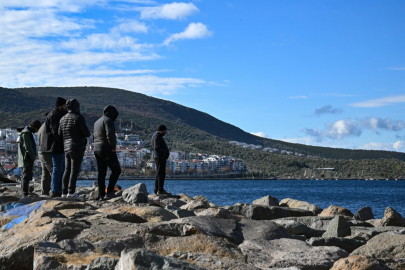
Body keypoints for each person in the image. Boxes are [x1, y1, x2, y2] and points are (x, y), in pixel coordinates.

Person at [58, 99, 91, 201]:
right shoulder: (78, 118)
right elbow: (86, 133)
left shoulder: (62, 119)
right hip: (76, 147)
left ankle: (64, 192)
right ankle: (71, 192)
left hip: (66, 147)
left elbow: (59, 134)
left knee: (67, 170)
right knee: (74, 170)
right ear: (77, 107)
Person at [93, 105, 121, 200]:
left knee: (101, 172)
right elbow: (110, 135)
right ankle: (109, 192)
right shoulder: (108, 120)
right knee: (116, 169)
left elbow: (94, 136)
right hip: (106, 148)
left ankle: (101, 195)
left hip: (96, 149)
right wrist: (113, 147)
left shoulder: (97, 122)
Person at [43, 97, 67, 197]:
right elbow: (55, 131)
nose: (66, 107)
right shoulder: (54, 115)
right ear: (60, 106)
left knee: (61, 168)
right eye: (65, 105)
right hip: (55, 146)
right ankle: (54, 190)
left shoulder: (56, 114)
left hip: (58, 145)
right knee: (57, 168)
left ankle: (58, 189)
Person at [17, 120, 41, 198]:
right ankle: (24, 193)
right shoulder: (26, 133)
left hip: (26, 158)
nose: (37, 131)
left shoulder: (27, 132)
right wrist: (33, 157)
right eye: (37, 129)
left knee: (26, 175)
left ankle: (25, 192)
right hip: (26, 158)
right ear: (34, 127)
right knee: (25, 176)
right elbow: (28, 147)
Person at [151, 125, 170, 195]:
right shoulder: (157, 136)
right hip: (159, 157)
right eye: (165, 131)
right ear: (161, 130)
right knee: (161, 174)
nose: (165, 132)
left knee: (159, 174)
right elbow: (156, 147)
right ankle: (160, 190)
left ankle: (157, 190)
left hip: (160, 157)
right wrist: (164, 152)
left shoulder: (157, 136)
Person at [37, 112, 53, 195]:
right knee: (52, 171)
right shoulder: (48, 126)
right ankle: (55, 190)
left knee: (45, 173)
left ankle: (44, 192)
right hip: (46, 152)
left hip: (41, 151)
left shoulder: (42, 127)